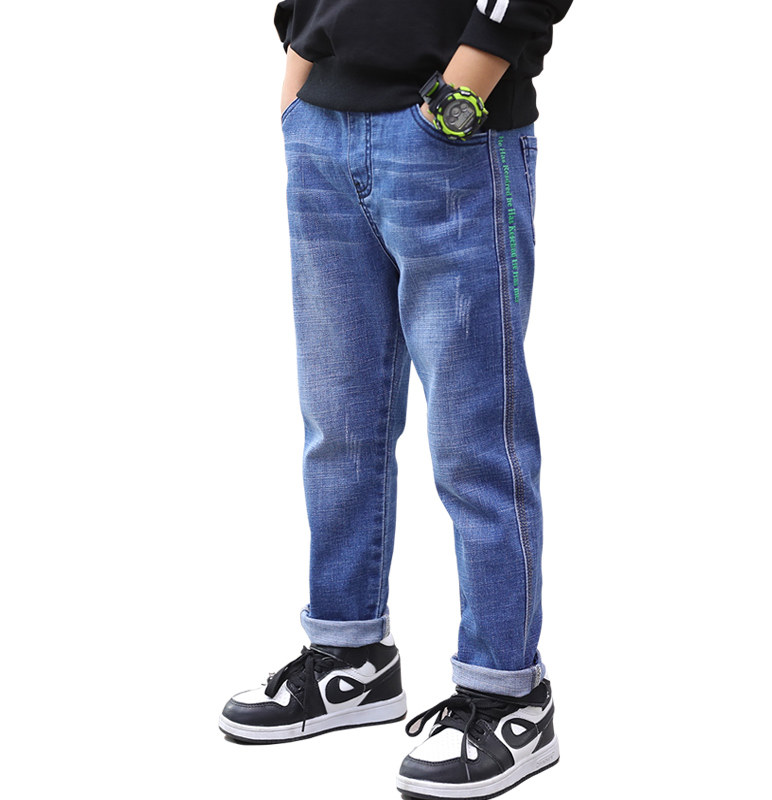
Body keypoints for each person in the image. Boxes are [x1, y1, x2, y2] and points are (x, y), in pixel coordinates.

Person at [219, 1, 573, 797]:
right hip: (323, 125)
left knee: (476, 440)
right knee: (339, 423)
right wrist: (298, 78)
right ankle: (350, 658)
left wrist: (458, 98)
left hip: (455, 134)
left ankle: (508, 697)